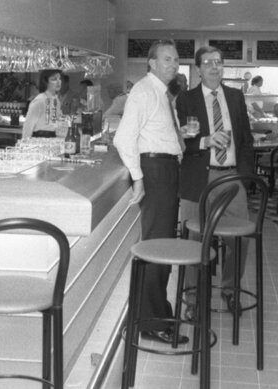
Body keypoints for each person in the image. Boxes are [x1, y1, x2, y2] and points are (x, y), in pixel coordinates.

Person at [113, 40, 187, 346]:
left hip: (166, 171)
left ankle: (156, 315)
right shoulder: (144, 91)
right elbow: (122, 138)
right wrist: (139, 178)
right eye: (167, 59)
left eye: (176, 60)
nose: (174, 64)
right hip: (156, 172)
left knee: (162, 245)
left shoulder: (161, 92)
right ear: (152, 63)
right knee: (158, 249)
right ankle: (152, 321)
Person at [175, 46, 255, 313]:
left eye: (218, 62)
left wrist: (244, 176)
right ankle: (193, 299)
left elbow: (245, 140)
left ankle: (230, 291)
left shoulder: (235, 96)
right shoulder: (185, 99)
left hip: (232, 178)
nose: (214, 67)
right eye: (208, 63)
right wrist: (205, 141)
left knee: (240, 239)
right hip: (198, 177)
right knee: (193, 240)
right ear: (198, 68)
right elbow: (178, 142)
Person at [22, 69, 64, 138]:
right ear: (46, 82)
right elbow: (28, 127)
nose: (58, 82)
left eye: (59, 78)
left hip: (54, 141)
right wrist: (25, 145)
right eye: (54, 79)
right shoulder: (39, 100)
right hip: (40, 140)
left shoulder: (56, 100)